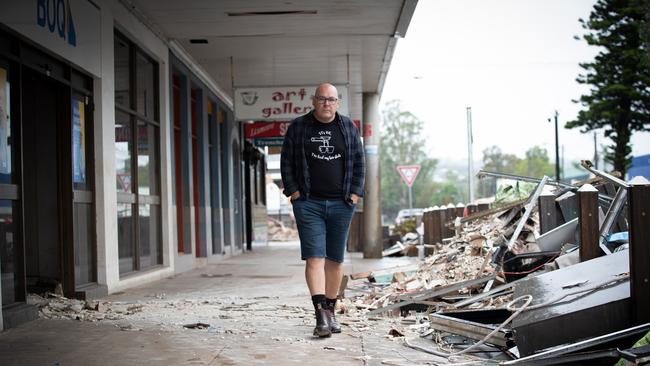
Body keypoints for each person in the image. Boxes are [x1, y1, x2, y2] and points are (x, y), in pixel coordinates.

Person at [280, 83, 365, 337]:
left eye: (331, 100)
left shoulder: (348, 127)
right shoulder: (299, 127)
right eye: (322, 99)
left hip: (342, 203)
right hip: (309, 203)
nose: (326, 104)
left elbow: (360, 162)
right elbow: (286, 162)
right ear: (314, 101)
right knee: (315, 257)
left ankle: (331, 312)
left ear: (338, 103)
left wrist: (355, 193)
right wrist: (294, 194)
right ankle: (320, 315)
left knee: (335, 260)